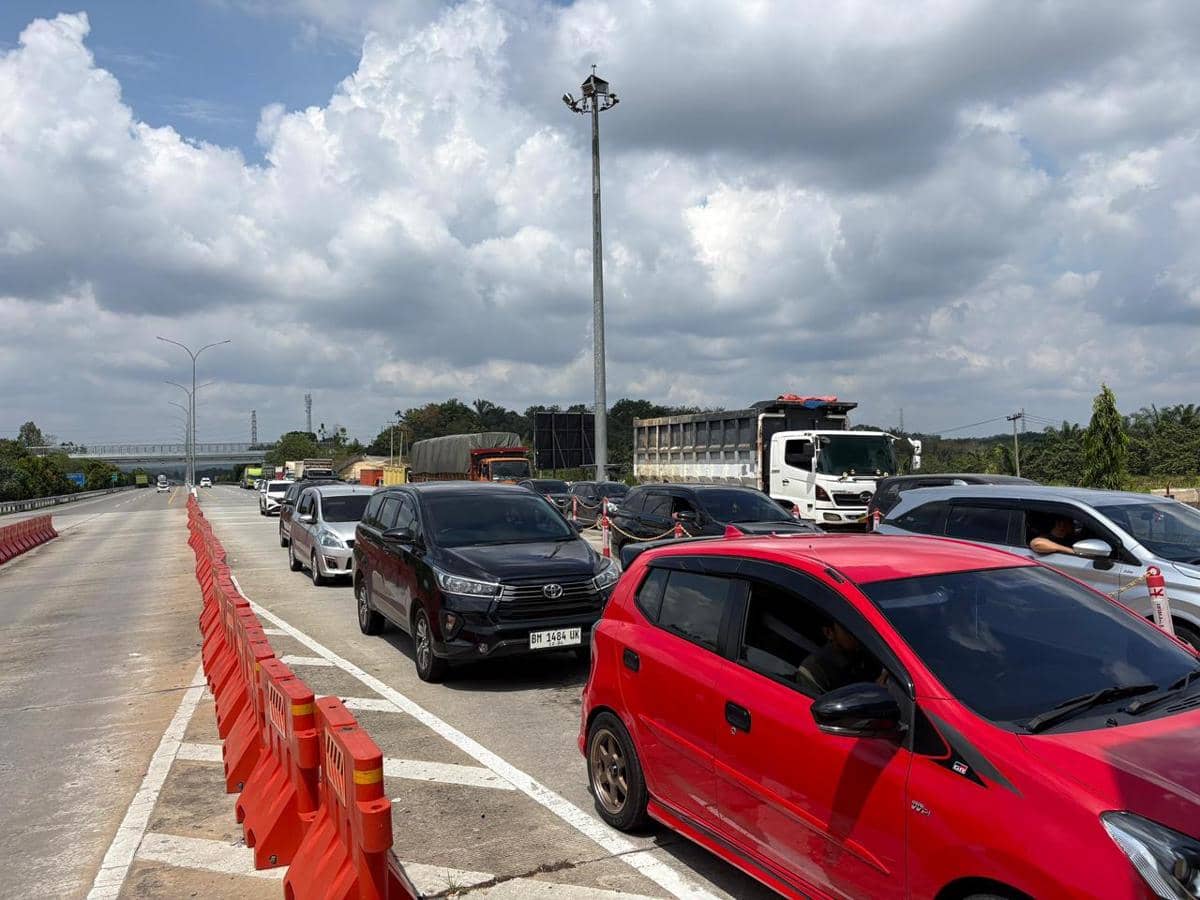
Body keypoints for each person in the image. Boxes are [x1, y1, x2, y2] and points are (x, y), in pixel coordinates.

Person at [797, 621, 879, 693]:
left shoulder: (868, 655)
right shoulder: (815, 669)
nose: (857, 634)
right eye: (848, 629)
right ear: (829, 632)